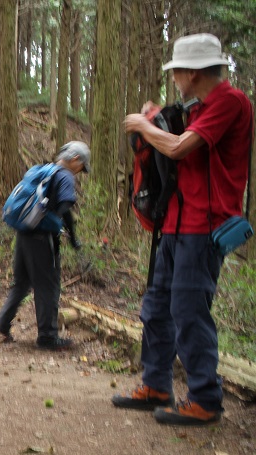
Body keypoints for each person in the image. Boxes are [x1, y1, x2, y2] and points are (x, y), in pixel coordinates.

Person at [113, 34, 253, 426]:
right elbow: (172, 125)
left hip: (203, 228)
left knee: (189, 311)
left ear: (192, 72)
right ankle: (156, 384)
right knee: (157, 307)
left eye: (176, 72)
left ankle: (205, 399)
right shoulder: (198, 106)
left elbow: (178, 147)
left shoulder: (230, 101)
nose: (174, 78)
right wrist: (154, 114)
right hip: (174, 224)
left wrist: (143, 124)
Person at [0, 141, 90, 351]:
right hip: (42, 237)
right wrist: (72, 237)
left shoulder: (44, 170)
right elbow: (65, 208)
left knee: (21, 282)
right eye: (82, 167)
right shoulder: (64, 176)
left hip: (24, 233)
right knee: (48, 284)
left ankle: (2, 323)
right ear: (75, 160)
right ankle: (47, 336)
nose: (81, 172)